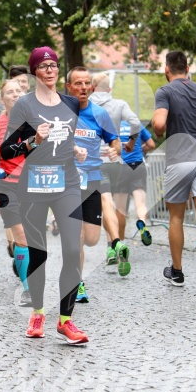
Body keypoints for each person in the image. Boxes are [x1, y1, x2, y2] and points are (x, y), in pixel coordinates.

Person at [1, 46, 89, 345]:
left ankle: (66, 321)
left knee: (73, 251)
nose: (50, 70)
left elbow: (68, 133)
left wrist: (74, 147)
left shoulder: (71, 103)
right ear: (34, 71)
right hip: (35, 184)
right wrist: (33, 140)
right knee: (39, 253)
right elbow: (7, 149)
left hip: (67, 181)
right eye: (44, 66)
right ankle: (38, 312)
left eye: (54, 65)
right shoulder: (24, 106)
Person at [152, 50, 196, 286]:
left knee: (176, 217)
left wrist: (159, 129)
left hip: (180, 160)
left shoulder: (165, 91)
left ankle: (177, 271)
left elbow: (160, 123)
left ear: (167, 69)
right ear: (188, 69)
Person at [66, 66, 130, 304]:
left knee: (91, 238)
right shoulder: (61, 113)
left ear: (91, 89)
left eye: (86, 84)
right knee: (76, 234)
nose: (83, 88)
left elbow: (115, 141)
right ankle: (78, 283)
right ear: (69, 87)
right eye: (78, 84)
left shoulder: (99, 114)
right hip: (68, 179)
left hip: (92, 177)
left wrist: (114, 151)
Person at [0, 78, 32, 306]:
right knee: (21, 236)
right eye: (10, 92)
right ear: (2, 99)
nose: (15, 94)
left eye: (18, 91)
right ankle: (28, 289)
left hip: (33, 184)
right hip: (6, 185)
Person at [90, 72, 138, 264]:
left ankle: (112, 249)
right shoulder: (119, 104)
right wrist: (131, 142)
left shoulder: (85, 104)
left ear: (92, 88)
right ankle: (119, 244)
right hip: (116, 160)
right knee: (119, 207)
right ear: (109, 89)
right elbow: (135, 122)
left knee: (105, 205)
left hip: (95, 162)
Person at [113, 120, 156, 244]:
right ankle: (141, 221)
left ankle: (121, 242)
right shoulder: (137, 125)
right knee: (140, 203)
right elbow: (151, 144)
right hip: (138, 166)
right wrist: (141, 149)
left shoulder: (113, 126)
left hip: (122, 168)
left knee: (120, 209)